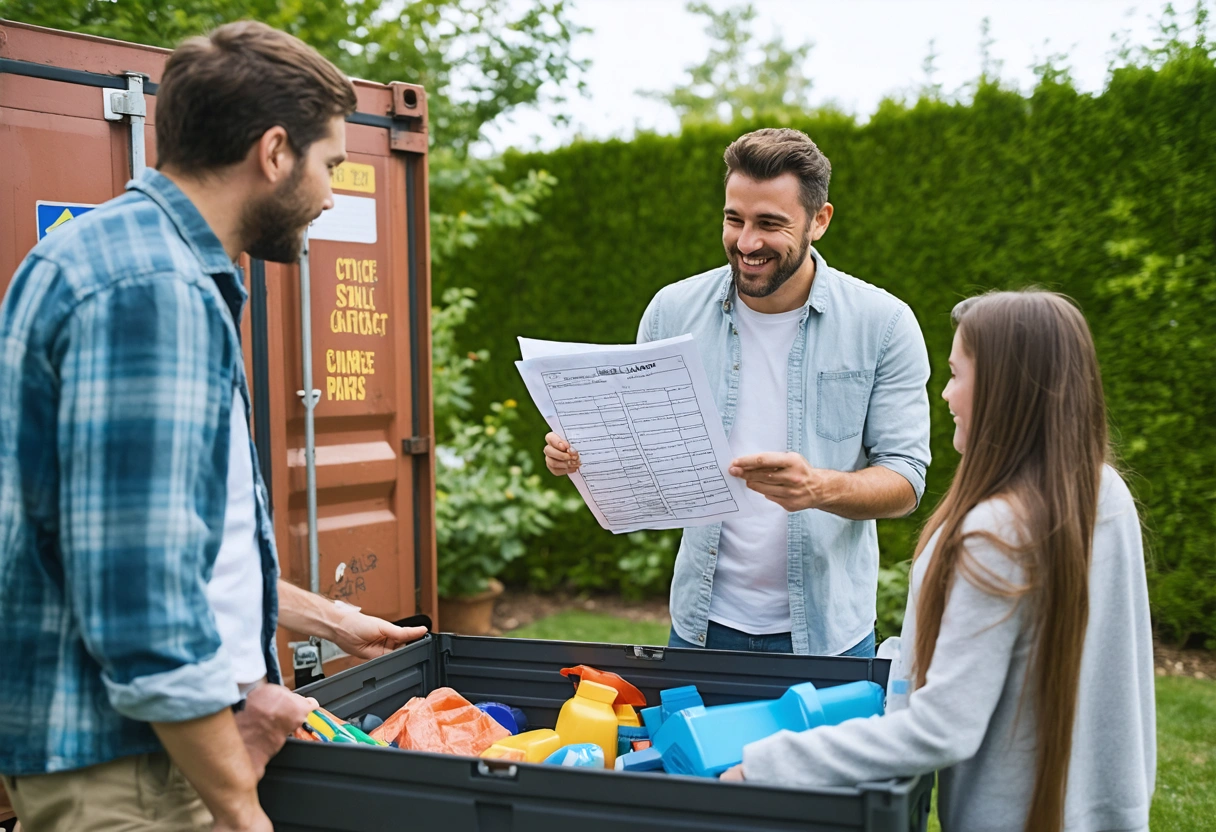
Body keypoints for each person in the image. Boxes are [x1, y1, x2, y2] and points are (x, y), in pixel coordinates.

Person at [0, 22, 425, 832]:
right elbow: (136, 586)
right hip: (128, 768)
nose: (333, 194)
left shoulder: (127, 257)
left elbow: (178, 539)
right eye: (329, 163)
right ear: (273, 152)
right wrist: (237, 806)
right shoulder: (150, 289)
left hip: (146, 752)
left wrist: (330, 621)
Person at [723, 291, 1156, 832]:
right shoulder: (1102, 494)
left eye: (955, 374)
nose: (946, 395)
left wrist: (768, 765)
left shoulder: (996, 534)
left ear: (1004, 389)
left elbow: (942, 729)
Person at [543, 128, 931, 657]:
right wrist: (584, 455)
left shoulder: (883, 324)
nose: (747, 242)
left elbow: (907, 479)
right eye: (734, 219)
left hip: (827, 638)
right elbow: (644, 457)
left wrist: (818, 487)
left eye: (770, 224)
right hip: (700, 628)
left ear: (820, 221)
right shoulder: (671, 312)